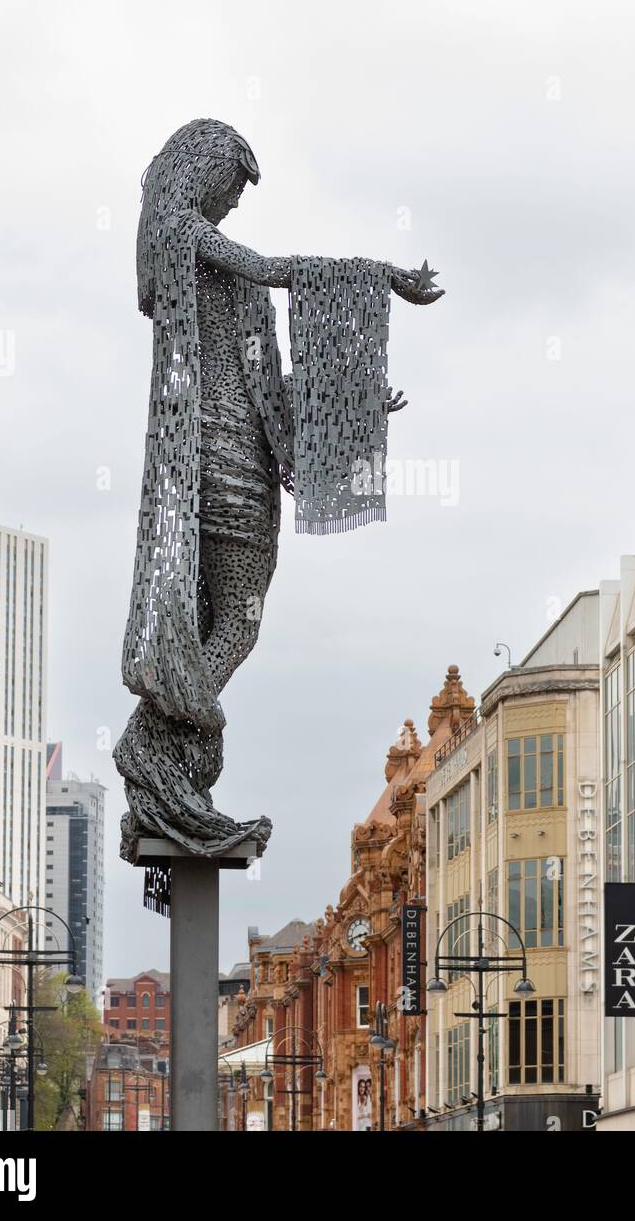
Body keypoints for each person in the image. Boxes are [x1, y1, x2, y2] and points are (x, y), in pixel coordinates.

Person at [115, 118, 443, 893]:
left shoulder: (195, 252)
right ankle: (152, 736)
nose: (231, 208)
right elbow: (273, 269)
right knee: (240, 617)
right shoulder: (178, 230)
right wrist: (381, 276)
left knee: (234, 616)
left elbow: (261, 381)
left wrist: (352, 394)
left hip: (236, 453)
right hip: (217, 456)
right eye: (231, 188)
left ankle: (162, 736)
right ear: (206, 170)